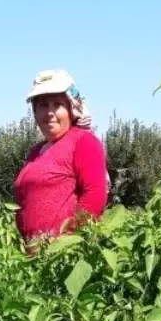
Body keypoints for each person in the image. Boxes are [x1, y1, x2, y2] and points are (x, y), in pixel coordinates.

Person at [13, 69, 109, 247]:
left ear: (71, 109)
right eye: (42, 105)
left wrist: (66, 242)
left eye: (57, 104)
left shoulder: (83, 142)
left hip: (63, 257)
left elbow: (94, 197)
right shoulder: (35, 152)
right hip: (31, 257)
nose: (49, 112)